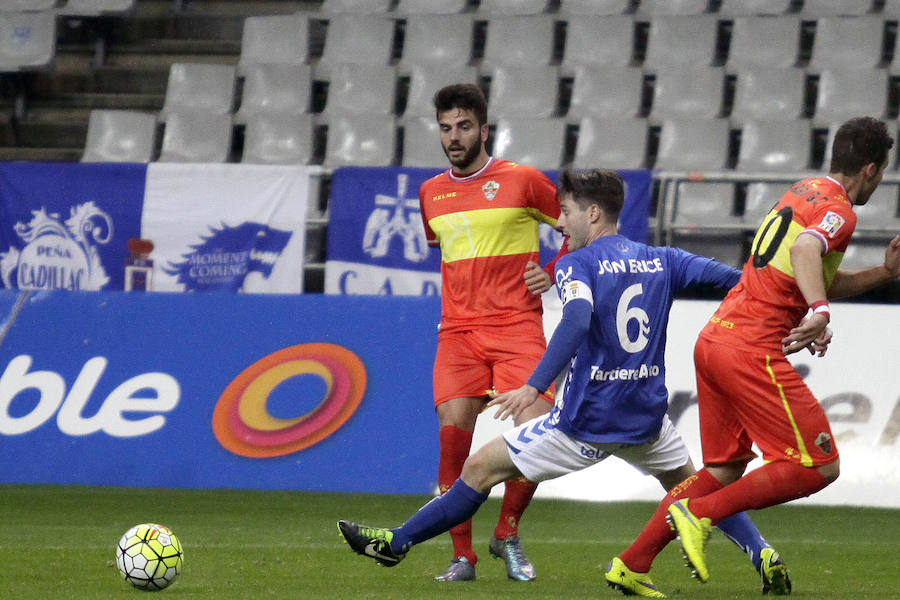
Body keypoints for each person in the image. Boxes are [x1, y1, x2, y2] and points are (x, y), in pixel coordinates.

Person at [338, 169, 789, 598]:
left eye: (568, 211)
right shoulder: (663, 259)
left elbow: (575, 320)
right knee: (697, 484)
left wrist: (533, 386)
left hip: (585, 424)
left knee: (478, 469)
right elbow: (739, 282)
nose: (560, 222)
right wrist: (798, 312)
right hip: (647, 420)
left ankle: (396, 544)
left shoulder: (578, 264)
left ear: (593, 213)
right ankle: (764, 554)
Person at [609, 116, 900, 595]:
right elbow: (808, 250)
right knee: (818, 464)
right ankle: (698, 514)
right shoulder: (840, 211)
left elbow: (813, 271)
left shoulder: (802, 190)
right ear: (870, 168)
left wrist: (882, 275)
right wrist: (820, 311)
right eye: (883, 171)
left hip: (715, 339)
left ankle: (634, 562)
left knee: (723, 470)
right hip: (750, 348)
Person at [414, 83, 565, 582]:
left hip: (518, 325)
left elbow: (583, 228)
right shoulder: (430, 193)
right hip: (457, 332)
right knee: (452, 443)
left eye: (462, 127)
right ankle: (463, 557)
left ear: (484, 130)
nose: (452, 137)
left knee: (536, 432)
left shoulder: (523, 181)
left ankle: (507, 531)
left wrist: (557, 268)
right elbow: (449, 249)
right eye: (444, 128)